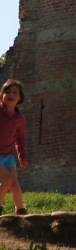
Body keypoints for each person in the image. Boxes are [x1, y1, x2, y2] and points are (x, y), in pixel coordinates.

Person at [0, 79, 28, 215]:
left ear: (20, 97)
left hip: (8, 155)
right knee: (6, 179)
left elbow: (20, 138)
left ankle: (20, 210)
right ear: (1, 95)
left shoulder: (19, 118)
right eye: (7, 91)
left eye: (14, 92)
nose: (10, 94)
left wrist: (22, 157)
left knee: (14, 184)